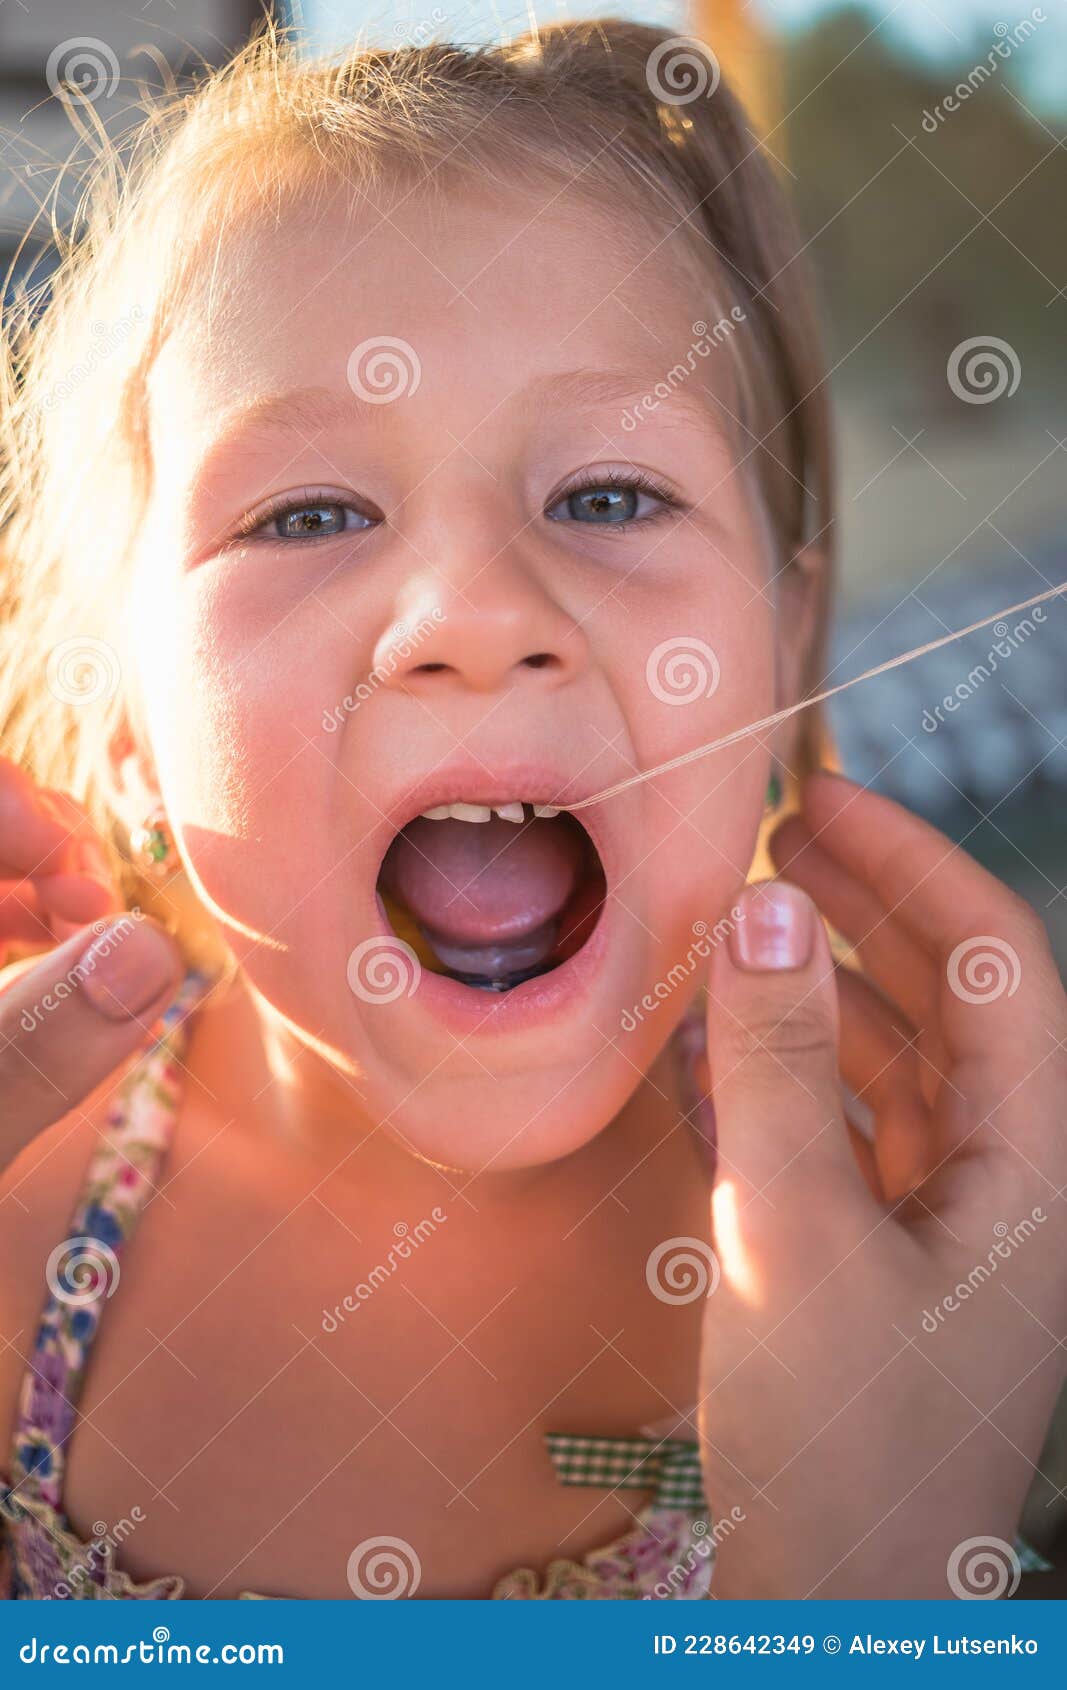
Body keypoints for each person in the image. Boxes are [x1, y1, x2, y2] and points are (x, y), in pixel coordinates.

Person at [1, 20, 1063, 1601]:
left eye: (610, 496)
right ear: (124, 723)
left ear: (781, 645)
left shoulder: (935, 1258)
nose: (474, 612)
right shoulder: (22, 1197)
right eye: (307, 511)